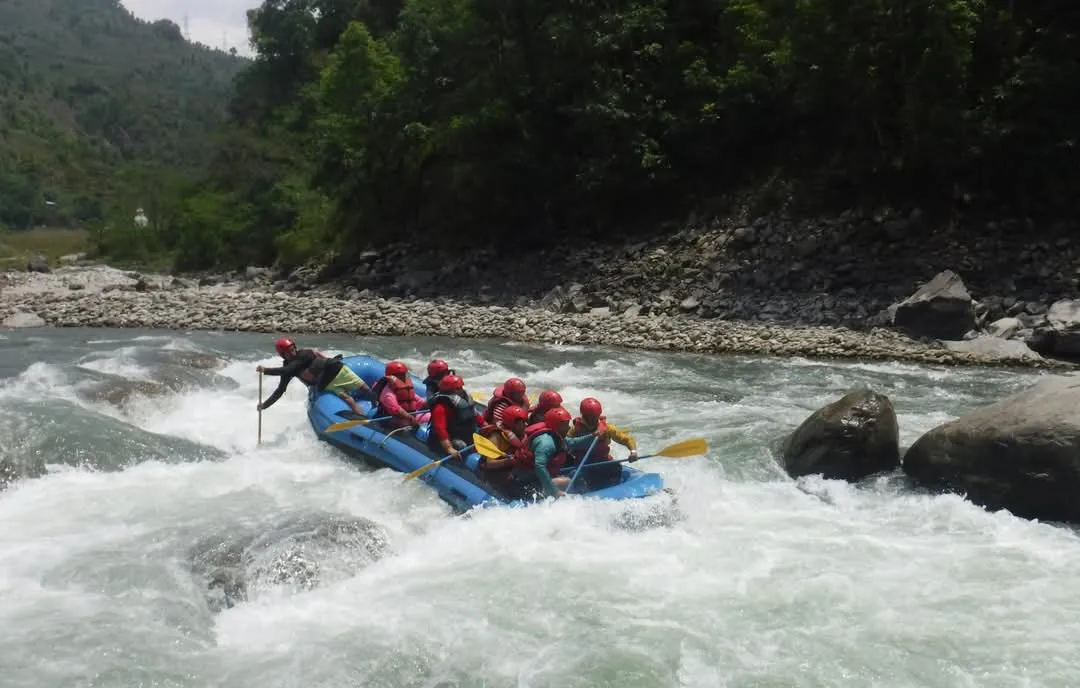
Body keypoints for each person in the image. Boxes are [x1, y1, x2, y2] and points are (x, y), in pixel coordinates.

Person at [256, 338, 371, 415]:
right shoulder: (287, 368)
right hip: (326, 383)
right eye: (288, 352)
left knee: (365, 388)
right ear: (282, 355)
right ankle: (364, 424)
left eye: (292, 349)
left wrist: (266, 370)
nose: (292, 353)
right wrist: (264, 405)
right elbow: (280, 390)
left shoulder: (304, 354)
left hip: (337, 371)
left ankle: (381, 404)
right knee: (349, 400)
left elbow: (288, 369)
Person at [509, 406, 601, 499]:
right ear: (558, 425)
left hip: (534, 478)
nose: (569, 427)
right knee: (568, 481)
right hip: (527, 483)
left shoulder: (555, 435)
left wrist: (593, 435)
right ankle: (584, 499)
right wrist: (554, 491)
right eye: (566, 425)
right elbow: (539, 466)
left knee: (575, 476)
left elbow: (571, 442)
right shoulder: (546, 442)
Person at [566, 397, 638, 486]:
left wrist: (633, 452)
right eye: (591, 416)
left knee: (615, 466)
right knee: (576, 477)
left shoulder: (607, 428)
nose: (594, 419)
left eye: (596, 415)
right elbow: (567, 443)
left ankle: (613, 487)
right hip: (583, 465)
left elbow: (626, 439)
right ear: (584, 415)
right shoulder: (576, 429)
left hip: (602, 462)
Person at [426, 374, 485, 461]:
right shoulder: (440, 407)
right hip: (447, 438)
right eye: (458, 388)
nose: (461, 390)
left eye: (461, 387)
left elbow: (475, 415)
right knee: (461, 446)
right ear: (449, 391)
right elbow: (440, 429)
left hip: (464, 433)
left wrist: (487, 427)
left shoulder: (464, 400)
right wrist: (449, 448)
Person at [370, 360, 428, 428]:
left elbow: (416, 399)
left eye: (404, 375)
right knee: (404, 424)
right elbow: (396, 409)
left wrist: (428, 405)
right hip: (389, 418)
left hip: (407, 416)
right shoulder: (387, 393)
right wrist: (411, 419)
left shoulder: (402, 388)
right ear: (392, 376)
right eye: (400, 375)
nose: (403, 378)